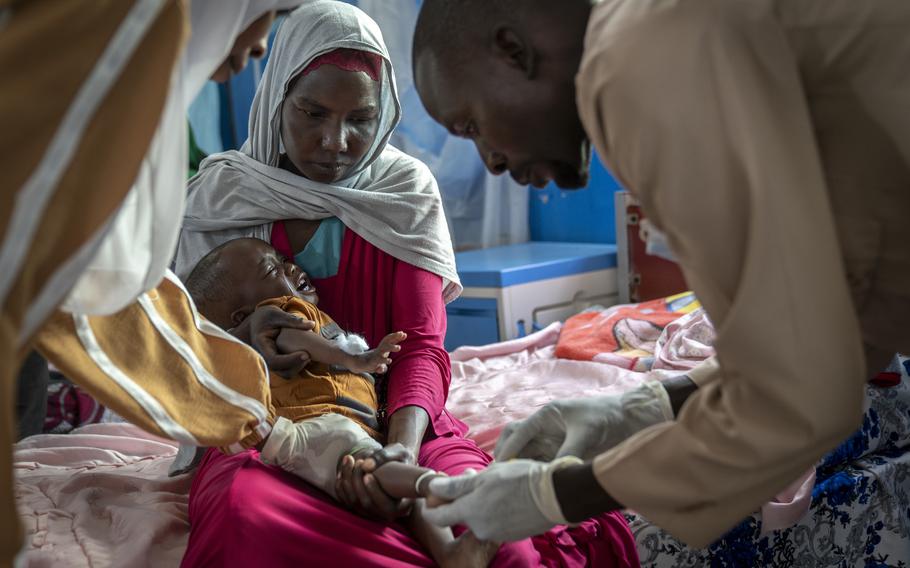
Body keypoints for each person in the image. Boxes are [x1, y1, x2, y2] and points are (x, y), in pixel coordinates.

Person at [410, 0, 910, 548]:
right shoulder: (664, 26)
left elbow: (796, 390)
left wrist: (554, 495)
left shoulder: (637, 58)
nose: (491, 163)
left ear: (512, 50)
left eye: (472, 125)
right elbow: (835, 330)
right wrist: (648, 407)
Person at [176, 2, 639, 566]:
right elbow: (188, 350)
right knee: (250, 521)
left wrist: (399, 450)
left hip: (406, 418)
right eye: (312, 113)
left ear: (384, 114)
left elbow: (420, 347)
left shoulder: (404, 193)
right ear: (276, 98)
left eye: (360, 120)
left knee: (499, 540)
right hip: (271, 430)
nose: (335, 141)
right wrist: (249, 339)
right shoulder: (222, 197)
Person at [1, 1, 305, 563]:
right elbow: (103, 290)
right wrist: (259, 415)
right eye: (263, 6)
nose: (261, 41)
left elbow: (100, 276)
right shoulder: (105, 41)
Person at [184, 237, 500, 567]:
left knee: (389, 473)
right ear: (242, 315)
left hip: (346, 431)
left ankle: (447, 532)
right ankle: (448, 514)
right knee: (390, 473)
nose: (292, 267)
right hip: (323, 429)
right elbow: (296, 337)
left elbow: (421, 346)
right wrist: (357, 360)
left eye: (282, 258)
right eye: (272, 269)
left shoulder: (407, 209)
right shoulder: (281, 314)